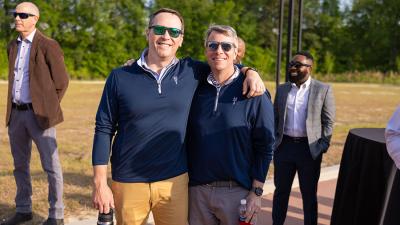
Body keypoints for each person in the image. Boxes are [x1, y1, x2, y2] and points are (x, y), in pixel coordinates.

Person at [91, 8, 265, 225]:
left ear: (181, 39)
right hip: (128, 180)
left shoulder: (191, 71)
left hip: (174, 181)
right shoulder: (120, 76)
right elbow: (104, 128)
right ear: (148, 33)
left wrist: (251, 71)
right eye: (160, 29)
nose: (166, 36)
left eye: (174, 32)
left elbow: (224, 62)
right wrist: (100, 183)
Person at [186, 25, 275, 225]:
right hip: (197, 192)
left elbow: (266, 146)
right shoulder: (194, 86)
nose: (219, 50)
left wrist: (257, 192)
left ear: (236, 52)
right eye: (213, 45)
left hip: (237, 193)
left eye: (226, 46)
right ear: (205, 49)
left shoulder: (254, 92)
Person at [2, 2, 69, 225]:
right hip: (16, 115)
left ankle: (56, 214)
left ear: (35, 19)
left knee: (51, 166)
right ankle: (23, 209)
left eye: (23, 14)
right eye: (15, 14)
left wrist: (46, 107)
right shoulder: (12, 46)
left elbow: (62, 81)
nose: (17, 18)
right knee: (20, 165)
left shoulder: (48, 45)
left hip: (41, 116)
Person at [272, 51, 335, 225]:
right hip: (284, 147)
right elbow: (275, 116)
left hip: (309, 150)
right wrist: (274, 142)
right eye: (291, 64)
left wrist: (322, 145)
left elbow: (328, 121)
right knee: (281, 193)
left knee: (308, 195)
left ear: (309, 68)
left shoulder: (323, 89)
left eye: (297, 65)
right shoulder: (283, 89)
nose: (292, 67)